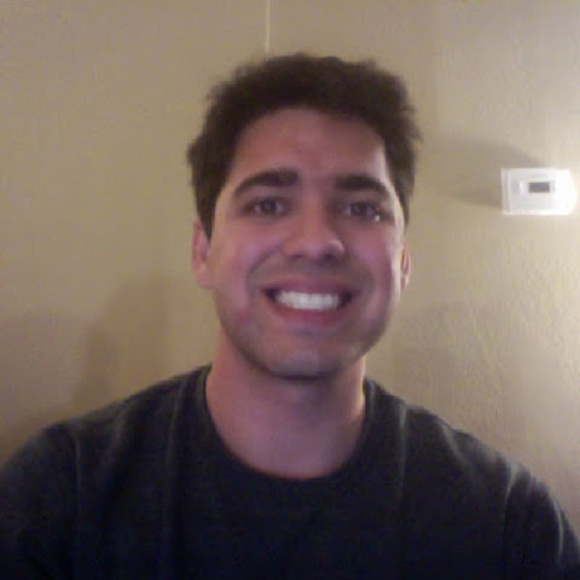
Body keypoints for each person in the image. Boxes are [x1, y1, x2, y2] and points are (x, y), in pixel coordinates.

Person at [0, 53, 578, 579]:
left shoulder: (509, 526)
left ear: (403, 262)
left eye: (362, 208)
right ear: (203, 251)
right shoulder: (59, 498)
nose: (317, 241)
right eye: (269, 204)